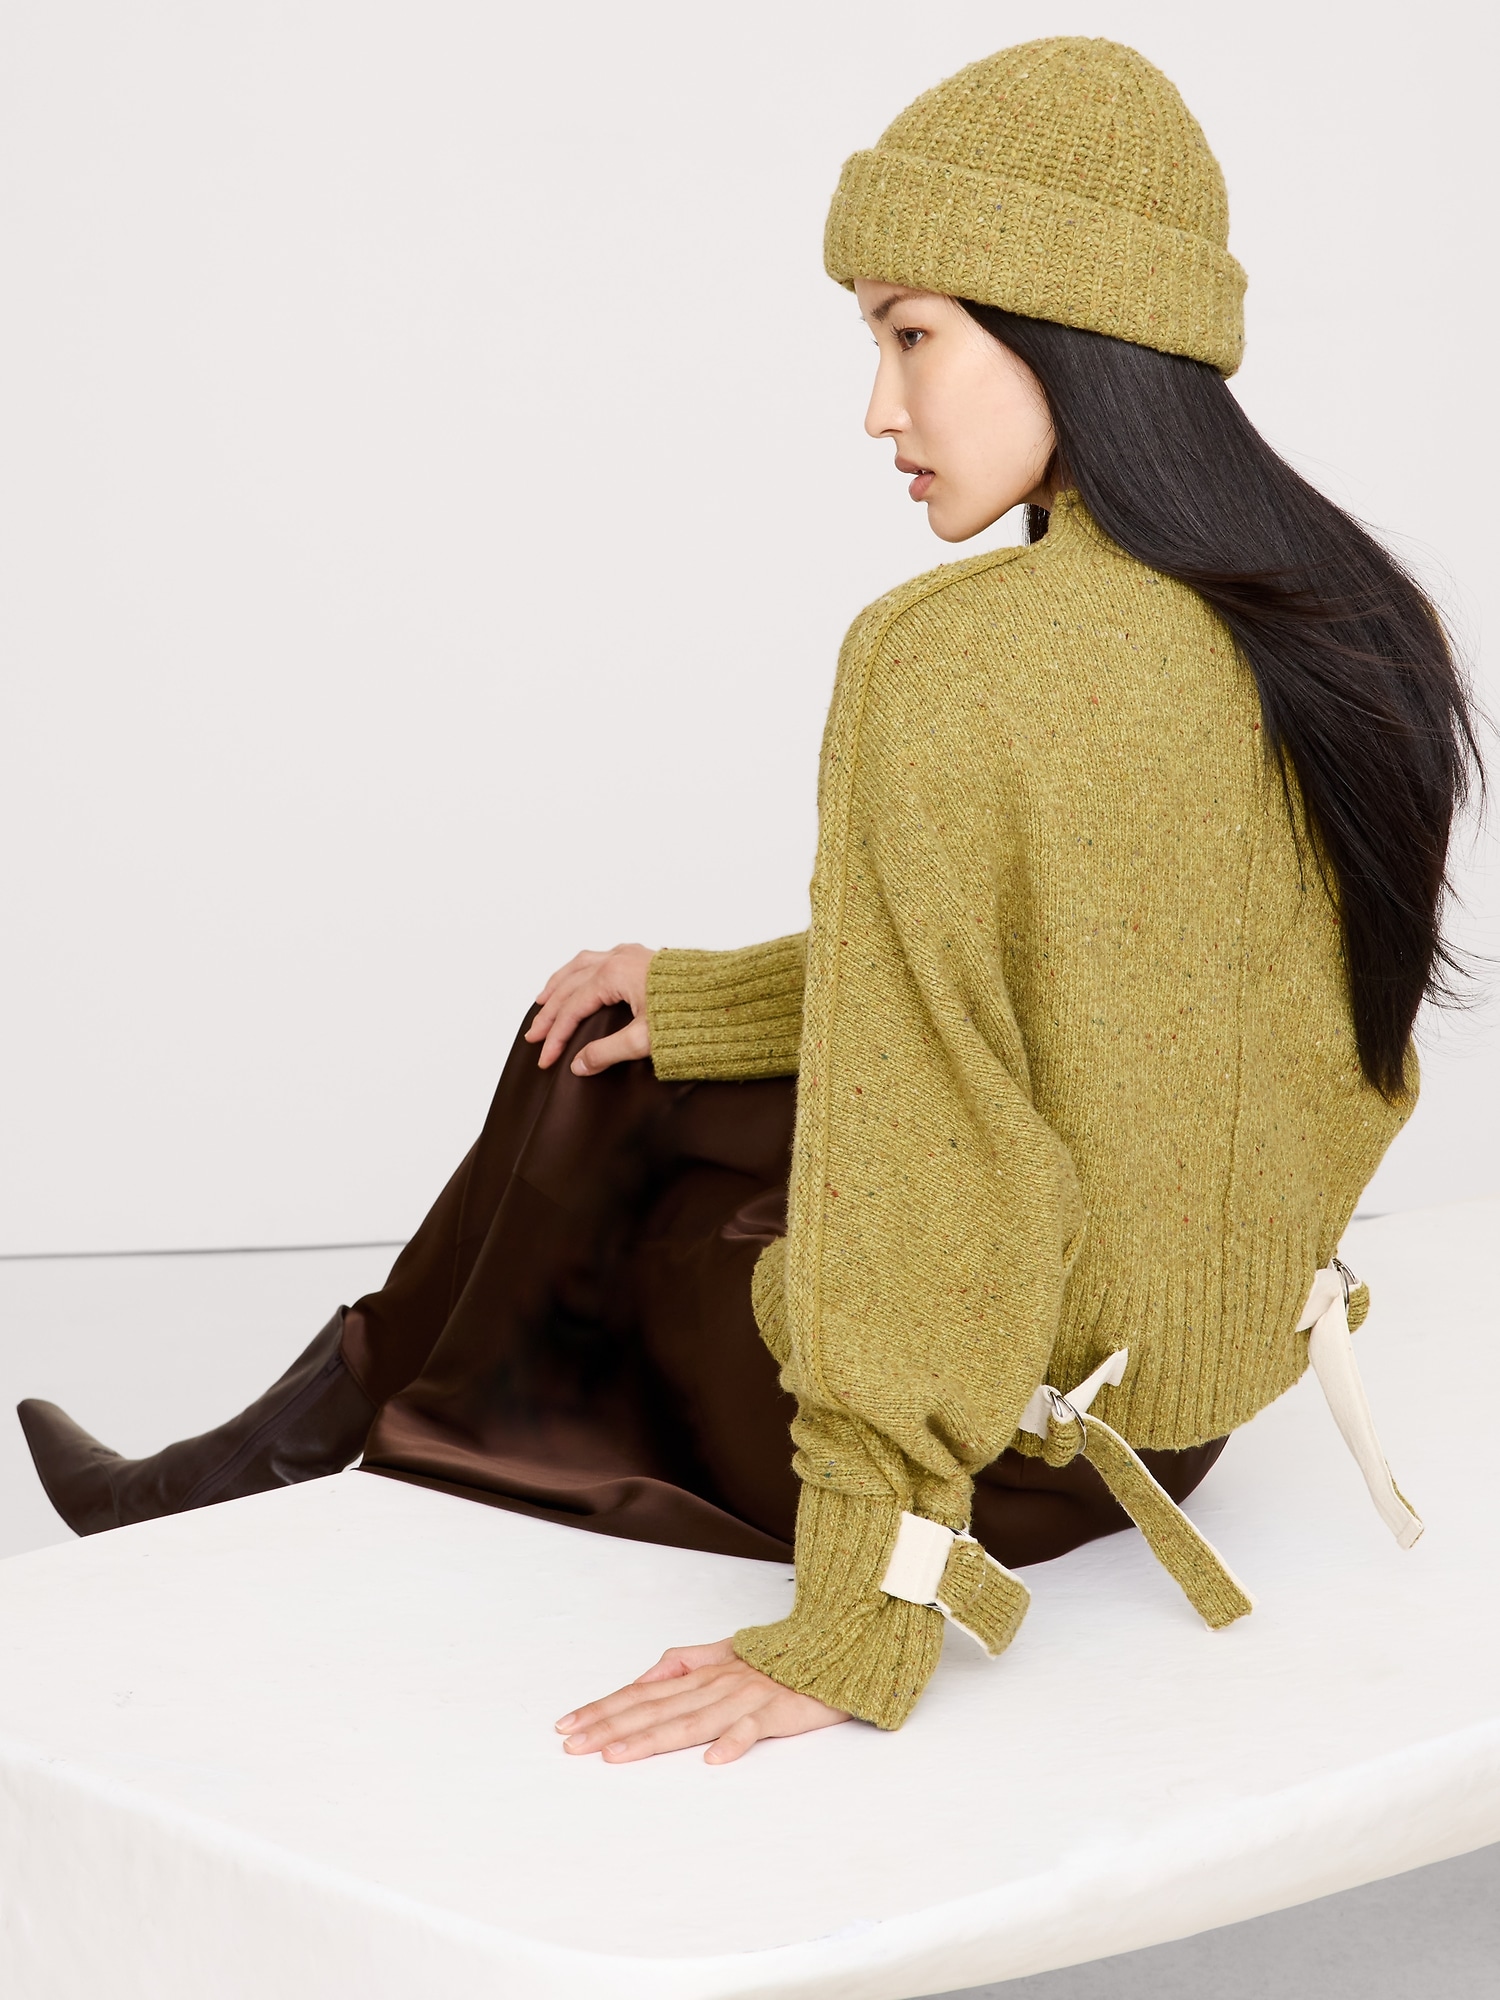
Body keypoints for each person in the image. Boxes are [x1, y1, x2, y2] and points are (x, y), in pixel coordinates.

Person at [18, 37, 1479, 1765]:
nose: (880, 409)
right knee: (612, 1035)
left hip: (1017, 1462)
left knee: (595, 1151)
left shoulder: (956, 660)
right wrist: (702, 1002)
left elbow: (947, 1144)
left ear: (1072, 319)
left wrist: (862, 1607)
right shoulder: (1343, 621)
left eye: (911, 335)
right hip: (1178, 1423)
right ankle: (272, 1451)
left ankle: (282, 1462)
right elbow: (1098, 987)